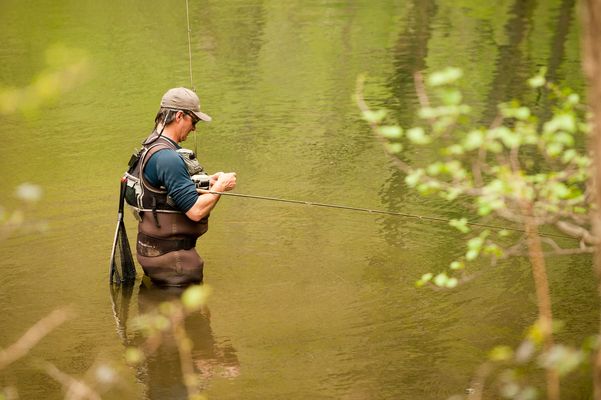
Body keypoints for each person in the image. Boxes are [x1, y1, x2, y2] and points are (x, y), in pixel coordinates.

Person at [129, 87, 236, 286]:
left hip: (153, 252)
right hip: (174, 263)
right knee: (188, 315)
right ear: (179, 116)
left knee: (158, 312)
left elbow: (165, 191)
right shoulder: (168, 157)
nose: (194, 128)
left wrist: (208, 181)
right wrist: (221, 186)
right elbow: (195, 211)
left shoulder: (151, 146)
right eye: (193, 121)